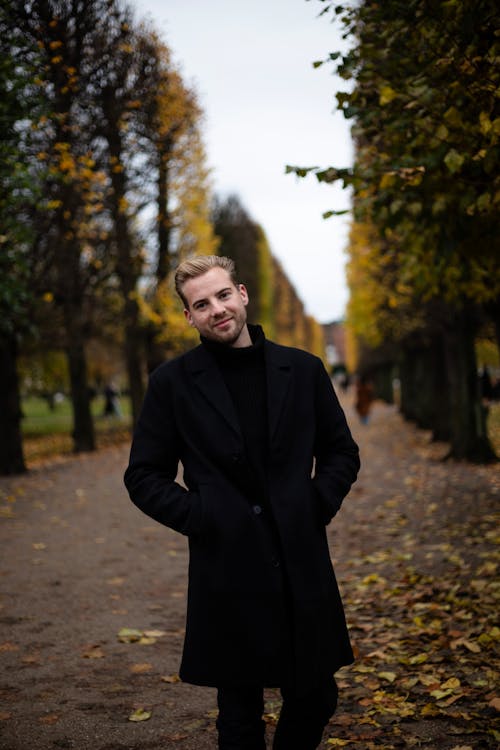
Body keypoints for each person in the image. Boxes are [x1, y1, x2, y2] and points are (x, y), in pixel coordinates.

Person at [124, 255, 360, 749]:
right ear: (189, 316)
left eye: (223, 295)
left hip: (299, 554)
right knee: (239, 710)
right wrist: (202, 516)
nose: (217, 310)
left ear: (243, 294)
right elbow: (144, 475)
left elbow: (340, 450)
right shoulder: (171, 384)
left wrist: (316, 503)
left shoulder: (303, 368)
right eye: (202, 304)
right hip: (227, 563)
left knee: (315, 695)